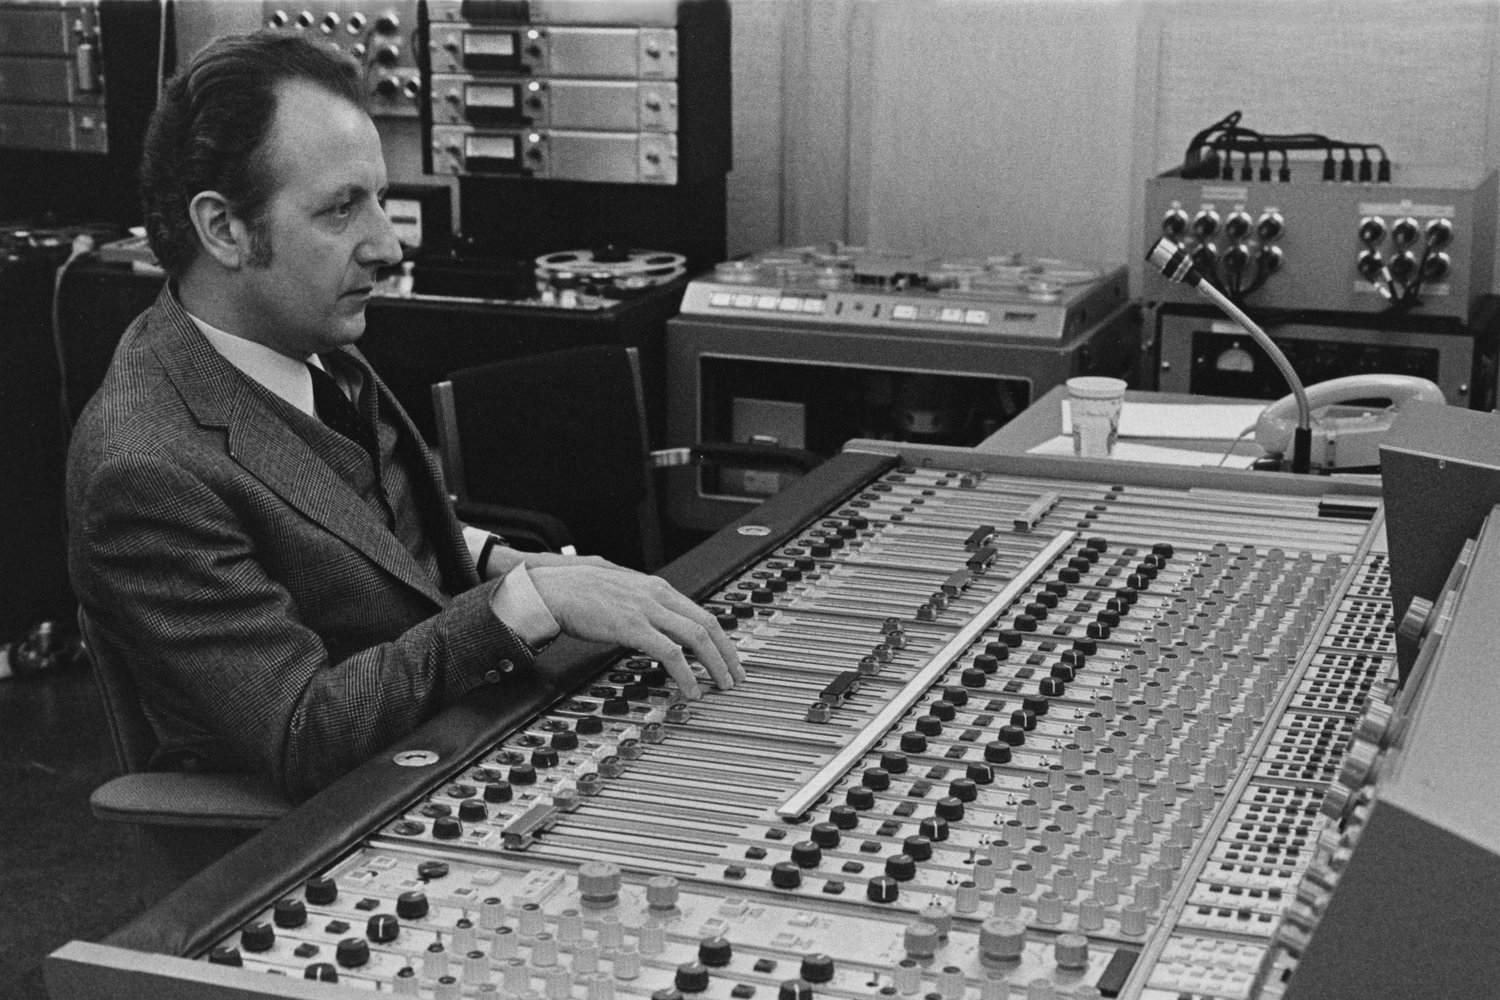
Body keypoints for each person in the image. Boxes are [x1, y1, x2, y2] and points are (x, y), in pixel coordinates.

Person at [66, 31, 741, 803]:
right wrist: (527, 605)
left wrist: (504, 562)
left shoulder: (303, 341)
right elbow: (303, 729)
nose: (386, 246)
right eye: (341, 209)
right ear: (223, 229)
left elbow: (359, 530)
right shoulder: (144, 468)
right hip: (347, 824)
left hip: (459, 734)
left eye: (379, 199)